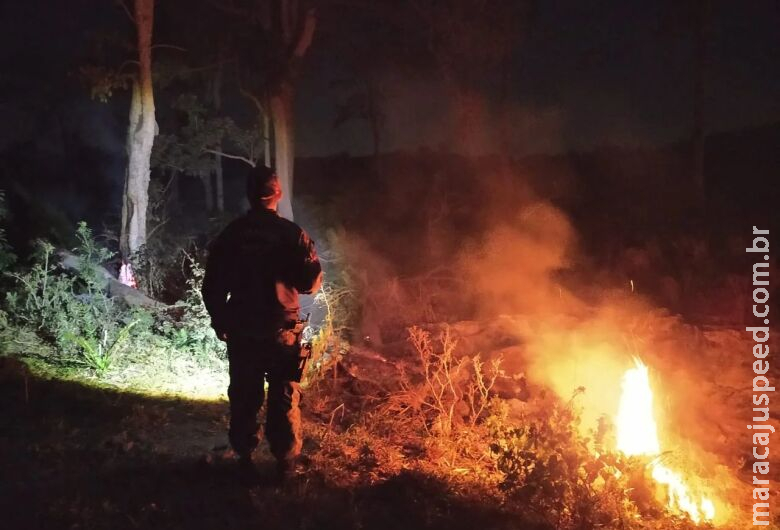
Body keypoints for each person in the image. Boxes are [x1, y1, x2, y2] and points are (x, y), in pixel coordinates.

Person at [202, 165, 322, 481]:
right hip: (281, 330)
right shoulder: (292, 235)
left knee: (244, 394)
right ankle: (285, 463)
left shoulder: (232, 234)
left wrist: (219, 319)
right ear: (277, 195)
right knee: (283, 395)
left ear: (249, 195)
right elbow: (310, 285)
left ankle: (244, 457)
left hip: (242, 328)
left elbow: (213, 284)